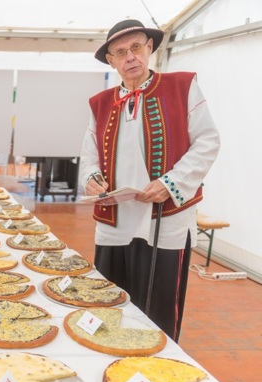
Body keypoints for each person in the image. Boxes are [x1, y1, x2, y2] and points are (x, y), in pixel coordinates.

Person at [79, 19, 220, 342]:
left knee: (157, 311)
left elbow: (208, 141)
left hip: (165, 219)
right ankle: (110, 359)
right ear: (111, 61)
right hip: (115, 221)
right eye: (120, 52)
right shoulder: (100, 104)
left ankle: (156, 363)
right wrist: (91, 179)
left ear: (150, 49)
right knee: (109, 303)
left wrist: (170, 183)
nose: (130, 57)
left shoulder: (182, 86)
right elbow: (88, 156)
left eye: (136, 48)